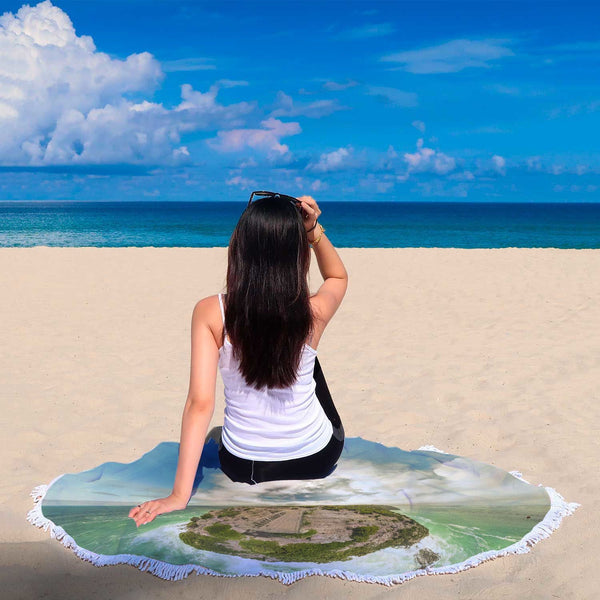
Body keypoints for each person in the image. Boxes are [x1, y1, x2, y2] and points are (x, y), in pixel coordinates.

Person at [129, 192, 348, 527]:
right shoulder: (313, 311)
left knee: (293, 359)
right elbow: (337, 277)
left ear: (240, 247)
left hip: (244, 465)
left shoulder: (210, 312)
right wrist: (313, 231)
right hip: (315, 459)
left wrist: (178, 496)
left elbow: (199, 404)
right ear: (296, 255)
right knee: (308, 359)